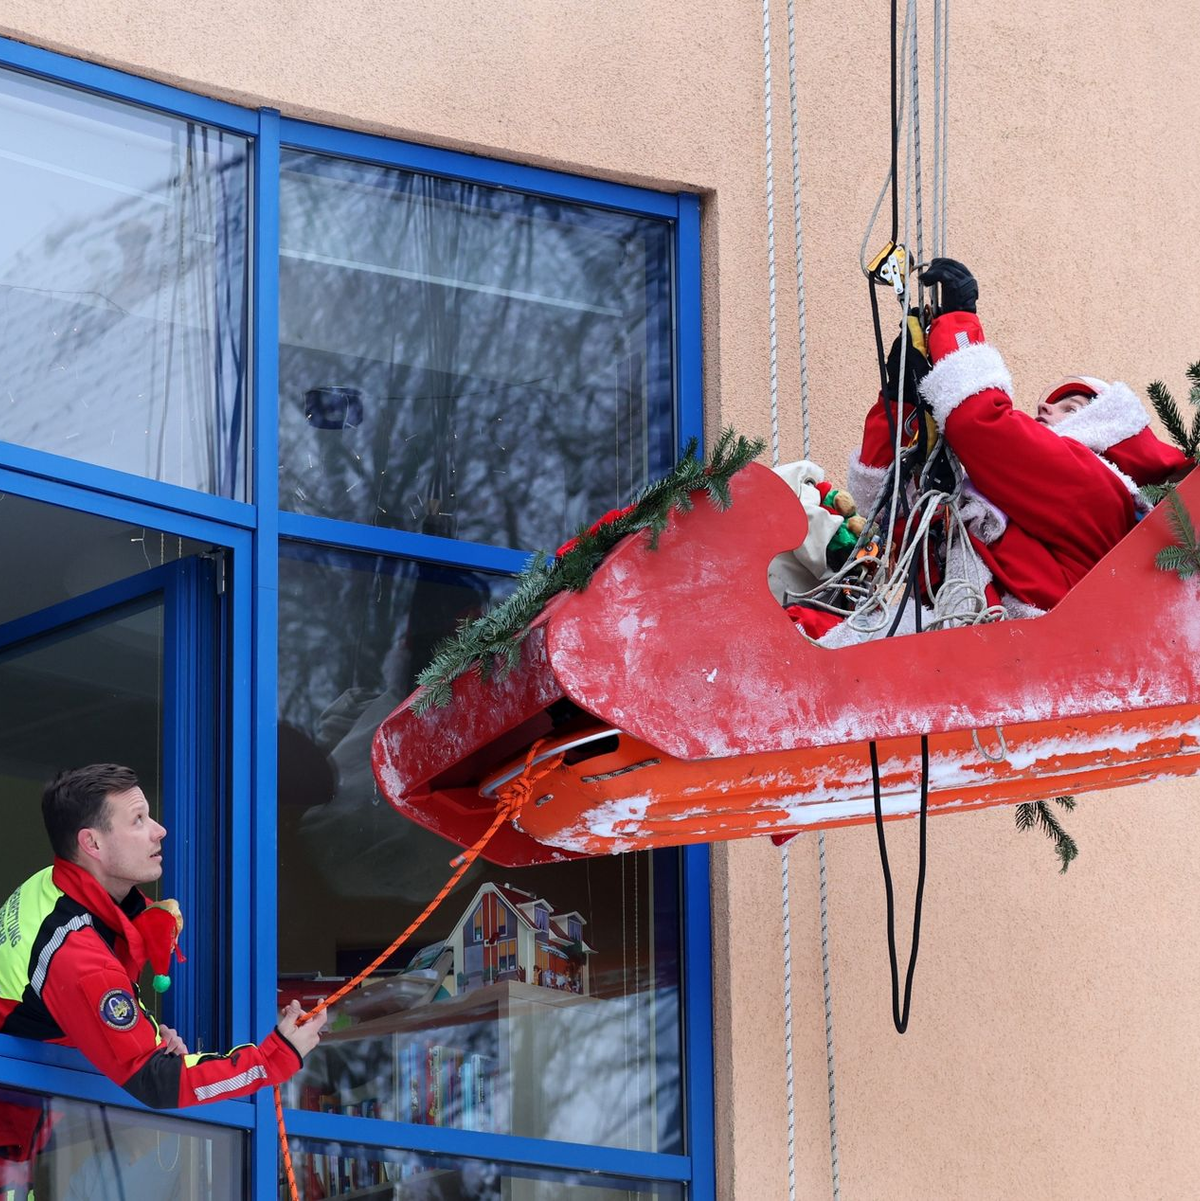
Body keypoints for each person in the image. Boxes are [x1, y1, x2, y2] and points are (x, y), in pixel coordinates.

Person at [846, 258, 1193, 620]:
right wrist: (900, 402)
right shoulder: (988, 511)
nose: (1043, 406)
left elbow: (980, 424)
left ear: (1104, 431)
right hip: (988, 655)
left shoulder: (1102, 493)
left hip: (1010, 656)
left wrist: (958, 325)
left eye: (1070, 408)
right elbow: (893, 514)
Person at [0, 764, 328, 1109]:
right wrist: (277, 1056)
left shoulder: (55, 883)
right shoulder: (78, 954)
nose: (160, 830)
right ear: (92, 843)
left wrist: (144, 1032)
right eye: (138, 820)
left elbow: (63, 1011)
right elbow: (157, 1081)